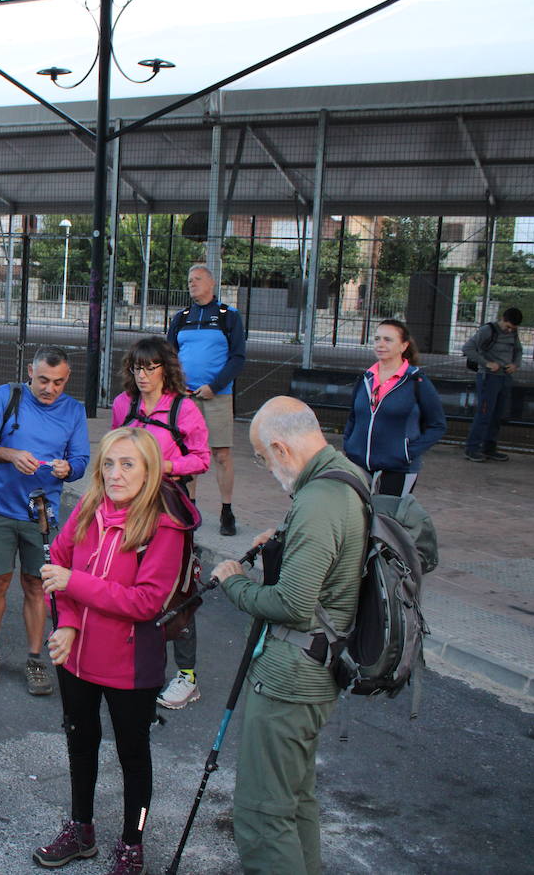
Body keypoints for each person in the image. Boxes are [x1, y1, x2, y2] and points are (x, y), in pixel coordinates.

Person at [209, 397, 367, 875]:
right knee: (296, 800)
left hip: (290, 680)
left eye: (261, 457)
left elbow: (293, 605)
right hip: (317, 671)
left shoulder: (319, 501)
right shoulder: (344, 475)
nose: (265, 467)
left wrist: (233, 580)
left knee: (261, 812)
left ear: (280, 447)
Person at [33, 427, 193, 874]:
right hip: (76, 657)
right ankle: (81, 828)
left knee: (133, 758)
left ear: (149, 471)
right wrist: (65, 623)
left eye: (128, 464)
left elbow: (145, 602)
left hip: (130, 666)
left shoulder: (165, 525)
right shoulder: (88, 507)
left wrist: (74, 585)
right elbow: (57, 566)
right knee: (80, 744)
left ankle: (132, 843)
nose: (116, 474)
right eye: (108, 463)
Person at [0, 347, 90, 697]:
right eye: (43, 380)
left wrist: (70, 469)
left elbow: (81, 459)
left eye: (58, 382)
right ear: (29, 372)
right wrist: (10, 454)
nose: (50, 389)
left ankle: (36, 658)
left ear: (67, 379)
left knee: (37, 587)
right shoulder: (7, 395)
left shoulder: (74, 411)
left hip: (42, 515)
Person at [110, 336, 211, 712]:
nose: (142, 375)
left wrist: (163, 466)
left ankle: (187, 677)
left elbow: (201, 459)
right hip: (130, 509)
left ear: (164, 368)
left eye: (150, 367)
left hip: (169, 511)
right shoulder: (124, 404)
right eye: (137, 367)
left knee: (178, 592)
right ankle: (136, 664)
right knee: (129, 585)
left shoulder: (184, 408)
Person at [167, 264, 246, 536]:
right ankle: (189, 507)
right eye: (189, 280)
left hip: (217, 397)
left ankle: (226, 511)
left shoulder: (228, 316)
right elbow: (169, 356)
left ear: (211, 284)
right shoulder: (181, 317)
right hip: (185, 398)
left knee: (221, 454)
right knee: (187, 454)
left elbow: (238, 358)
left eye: (198, 279)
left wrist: (215, 386)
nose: (192, 284)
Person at [342, 319, 447, 495]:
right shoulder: (365, 379)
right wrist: (350, 445)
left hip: (397, 469)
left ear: (403, 346)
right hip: (358, 463)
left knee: (387, 520)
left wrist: (406, 453)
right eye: (377, 339)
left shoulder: (416, 381)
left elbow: (438, 425)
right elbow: (354, 417)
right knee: (355, 519)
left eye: (388, 340)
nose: (380, 344)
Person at [461, 307, 523, 463]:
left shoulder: (513, 333)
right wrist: (487, 363)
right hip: (489, 377)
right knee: (484, 413)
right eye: (507, 326)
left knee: (497, 415)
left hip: (505, 377)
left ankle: (489, 448)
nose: (509, 331)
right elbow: (468, 348)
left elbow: (518, 350)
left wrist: (515, 364)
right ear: (502, 319)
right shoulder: (487, 330)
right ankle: (472, 448)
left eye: (513, 328)